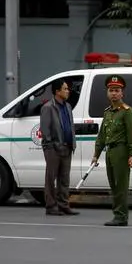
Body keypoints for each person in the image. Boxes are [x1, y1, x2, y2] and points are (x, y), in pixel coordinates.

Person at [91, 75, 132, 226]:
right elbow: (101, 136)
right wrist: (95, 155)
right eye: (111, 90)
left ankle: (121, 216)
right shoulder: (107, 112)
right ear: (107, 93)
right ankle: (117, 214)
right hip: (110, 152)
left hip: (121, 151)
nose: (114, 93)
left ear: (122, 93)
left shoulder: (127, 111)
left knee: (121, 186)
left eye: (117, 90)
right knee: (113, 184)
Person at [40, 79, 79, 216]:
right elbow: (45, 130)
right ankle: (51, 206)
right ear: (57, 91)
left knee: (64, 178)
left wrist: (72, 143)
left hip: (67, 147)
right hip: (54, 148)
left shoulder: (67, 106)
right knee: (51, 178)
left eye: (67, 89)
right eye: (65, 89)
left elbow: (70, 126)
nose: (68, 91)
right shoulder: (48, 107)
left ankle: (63, 204)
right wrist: (53, 145)